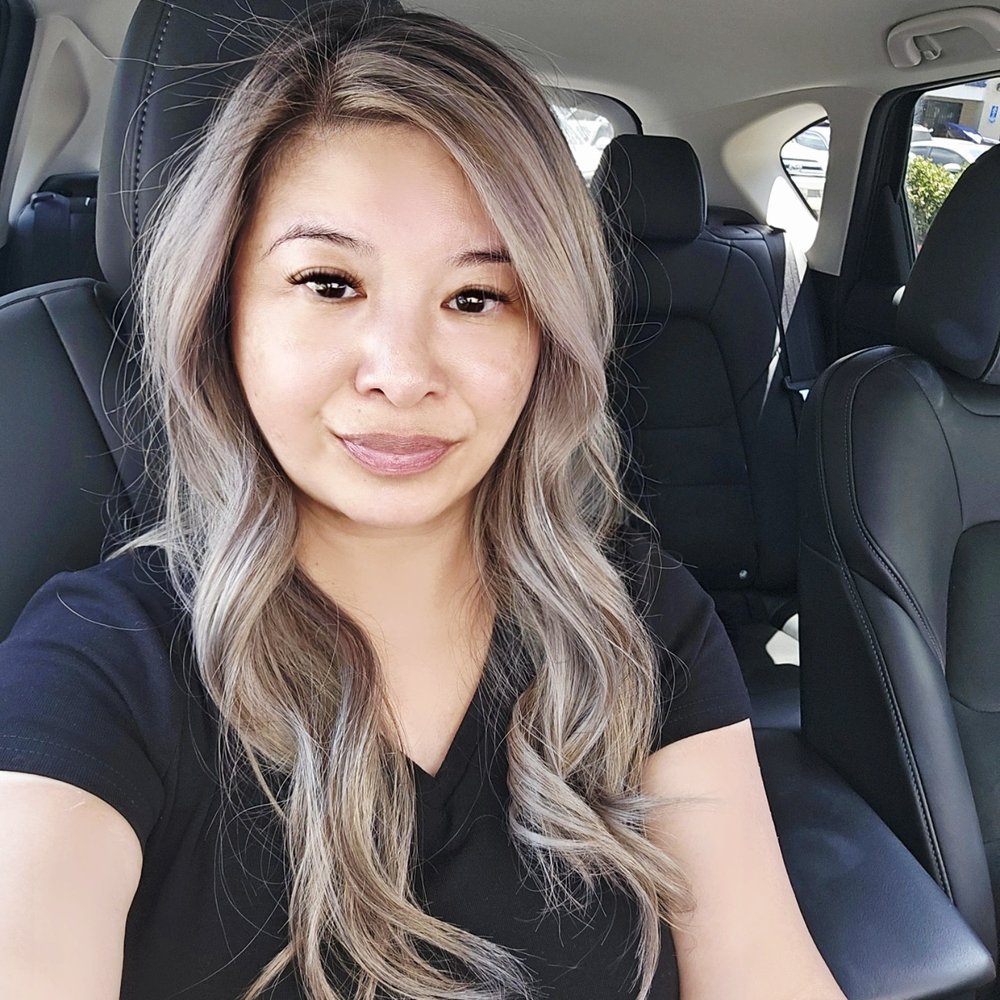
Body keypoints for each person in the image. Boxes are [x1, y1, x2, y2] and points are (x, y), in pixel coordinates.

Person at [0, 3, 847, 998]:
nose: (402, 375)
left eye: (476, 298)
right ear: (225, 312)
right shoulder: (102, 662)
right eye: (328, 283)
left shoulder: (641, 619)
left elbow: (762, 967)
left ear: (546, 336)